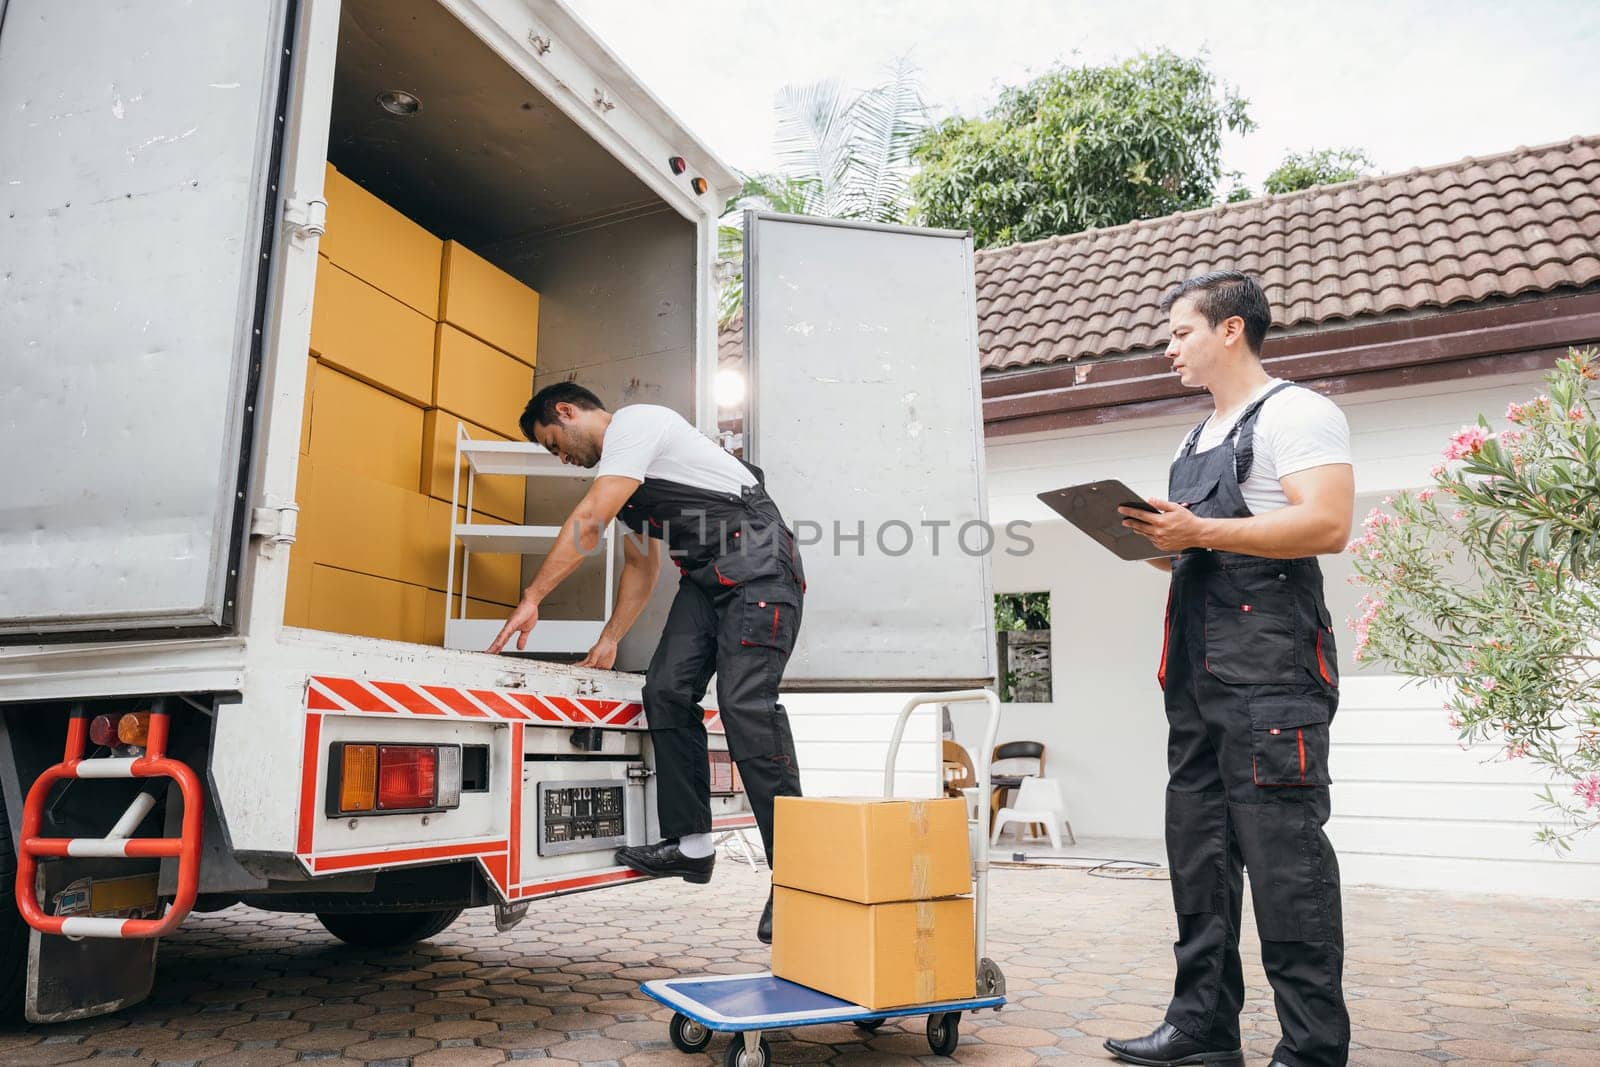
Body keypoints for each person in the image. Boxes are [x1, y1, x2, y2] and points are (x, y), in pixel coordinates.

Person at [1106, 272, 1354, 1067]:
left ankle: (1311, 1048)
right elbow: (1201, 548)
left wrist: (1202, 531)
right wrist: (1164, 545)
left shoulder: (1297, 414)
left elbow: (1327, 522)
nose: (1168, 346)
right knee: (1201, 857)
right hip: (1198, 677)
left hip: (1273, 675)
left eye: (1180, 331)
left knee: (1287, 864)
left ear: (1231, 329)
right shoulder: (1194, 437)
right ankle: (1202, 1027)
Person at [488, 383, 804, 944]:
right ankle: (691, 845)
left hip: (758, 566)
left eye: (553, 443)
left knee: (744, 705)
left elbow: (589, 520)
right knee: (664, 691)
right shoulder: (631, 482)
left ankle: (802, 877)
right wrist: (611, 637)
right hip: (708, 581)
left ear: (566, 411)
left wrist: (532, 596)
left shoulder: (637, 424)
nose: (561, 458)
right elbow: (641, 568)